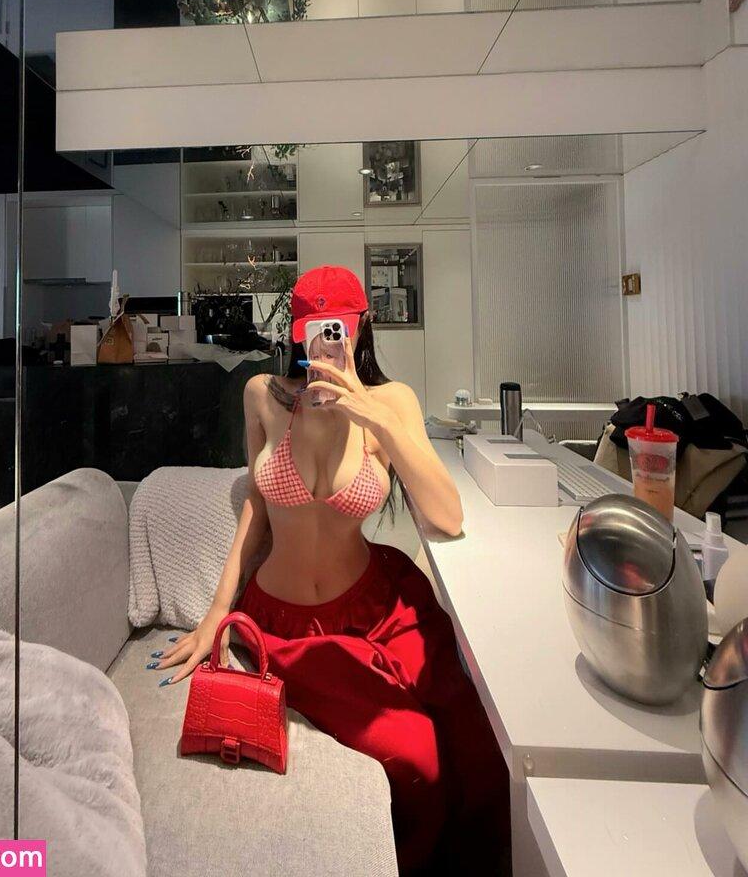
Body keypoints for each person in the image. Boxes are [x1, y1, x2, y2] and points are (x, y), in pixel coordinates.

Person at [154, 266, 508, 874]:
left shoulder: (392, 402)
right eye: (311, 328)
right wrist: (217, 611)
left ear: (359, 327)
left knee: (481, 754)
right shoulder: (263, 396)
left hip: (383, 607)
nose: (324, 342)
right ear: (295, 331)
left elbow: (447, 517)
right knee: (419, 758)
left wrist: (374, 417)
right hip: (286, 627)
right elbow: (257, 506)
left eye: (335, 328)